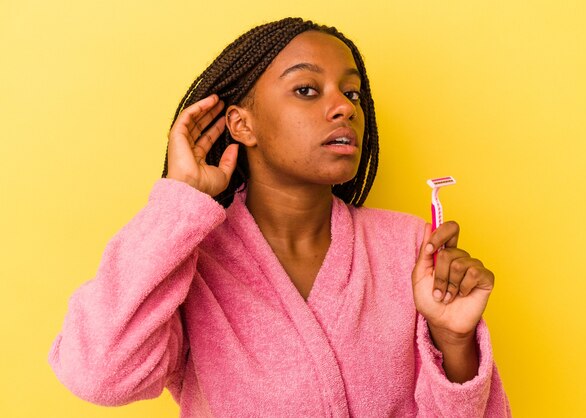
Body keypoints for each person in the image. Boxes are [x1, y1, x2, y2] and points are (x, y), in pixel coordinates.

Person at [49, 17, 512, 417]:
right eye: (307, 90)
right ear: (241, 124)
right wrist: (178, 202)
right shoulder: (191, 261)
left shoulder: (409, 247)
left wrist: (454, 341)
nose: (345, 107)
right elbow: (98, 375)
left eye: (351, 92)